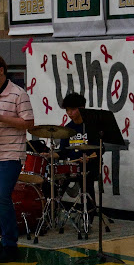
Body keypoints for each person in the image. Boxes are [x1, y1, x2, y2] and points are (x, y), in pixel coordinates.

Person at [0, 55, 34, 263]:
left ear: (1, 71)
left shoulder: (19, 94)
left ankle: (11, 245)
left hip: (11, 153)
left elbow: (29, 122)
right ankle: (4, 242)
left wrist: (2, 118)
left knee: (2, 196)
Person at [41, 93, 100, 226]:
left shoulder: (91, 126)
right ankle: (51, 212)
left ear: (82, 108)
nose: (69, 113)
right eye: (67, 110)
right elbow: (62, 153)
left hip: (89, 166)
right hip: (71, 167)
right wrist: (50, 155)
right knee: (52, 181)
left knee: (86, 182)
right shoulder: (68, 129)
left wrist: (88, 158)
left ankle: (88, 215)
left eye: (72, 109)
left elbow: (100, 150)